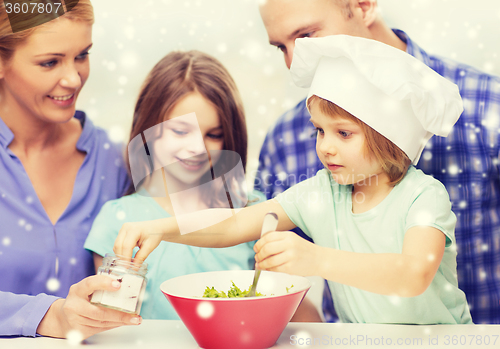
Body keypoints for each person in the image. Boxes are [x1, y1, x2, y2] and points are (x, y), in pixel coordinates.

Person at [113, 35, 473, 324]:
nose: (326, 148)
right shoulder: (322, 192)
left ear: (388, 137)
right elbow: (232, 224)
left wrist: (317, 259)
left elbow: (413, 274)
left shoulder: (424, 196)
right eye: (319, 130)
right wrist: (163, 227)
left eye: (343, 134)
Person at [254, 0, 500, 324]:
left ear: (364, 6)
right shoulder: (285, 139)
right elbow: (273, 265)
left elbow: (413, 271)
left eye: (307, 36)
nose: (293, 63)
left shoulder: (487, 107)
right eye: (280, 48)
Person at [84, 50, 266, 319]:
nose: (197, 148)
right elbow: (110, 321)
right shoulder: (116, 219)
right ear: (148, 129)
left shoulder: (252, 211)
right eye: (180, 131)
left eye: (214, 135)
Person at [0, 1, 142, 339]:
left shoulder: (114, 160)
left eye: (82, 55)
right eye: (50, 62)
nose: (73, 78)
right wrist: (50, 316)